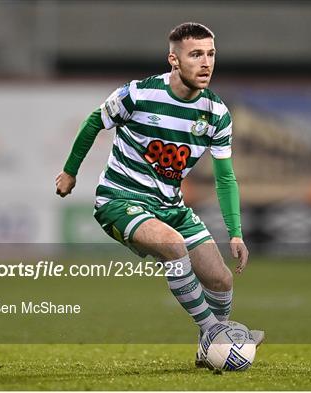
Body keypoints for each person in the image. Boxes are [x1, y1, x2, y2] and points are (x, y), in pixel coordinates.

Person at [55, 22, 263, 366]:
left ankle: (209, 349)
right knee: (174, 246)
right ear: (174, 59)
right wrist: (70, 172)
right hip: (121, 201)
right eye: (196, 54)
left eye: (211, 54)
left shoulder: (216, 114)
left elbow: (226, 178)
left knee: (221, 278)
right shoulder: (137, 95)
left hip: (171, 207)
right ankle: (215, 331)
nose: (206, 62)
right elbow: (94, 121)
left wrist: (236, 232)